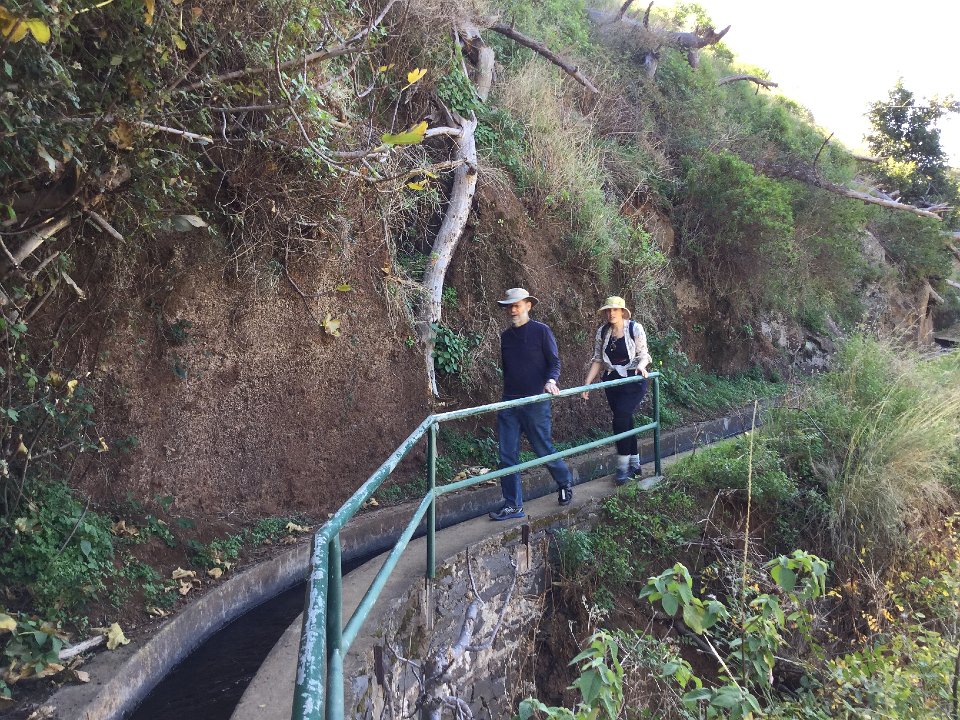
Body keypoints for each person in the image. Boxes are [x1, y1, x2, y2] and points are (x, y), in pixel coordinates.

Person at [489, 287, 574, 521]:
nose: (512, 310)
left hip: (535, 401)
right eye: (509, 306)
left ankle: (564, 482)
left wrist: (551, 381)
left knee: (542, 448)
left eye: (517, 305)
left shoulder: (541, 331)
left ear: (528, 306)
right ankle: (513, 505)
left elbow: (554, 363)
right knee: (507, 454)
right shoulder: (506, 337)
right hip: (509, 402)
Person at [580, 296, 652, 485]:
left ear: (622, 312)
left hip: (633, 379)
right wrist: (587, 383)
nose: (611, 313)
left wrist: (641, 366)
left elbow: (644, 355)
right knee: (625, 420)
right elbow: (598, 359)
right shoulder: (603, 332)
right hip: (612, 381)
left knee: (620, 418)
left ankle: (622, 467)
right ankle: (635, 465)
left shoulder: (634, 328)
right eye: (608, 310)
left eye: (615, 310)